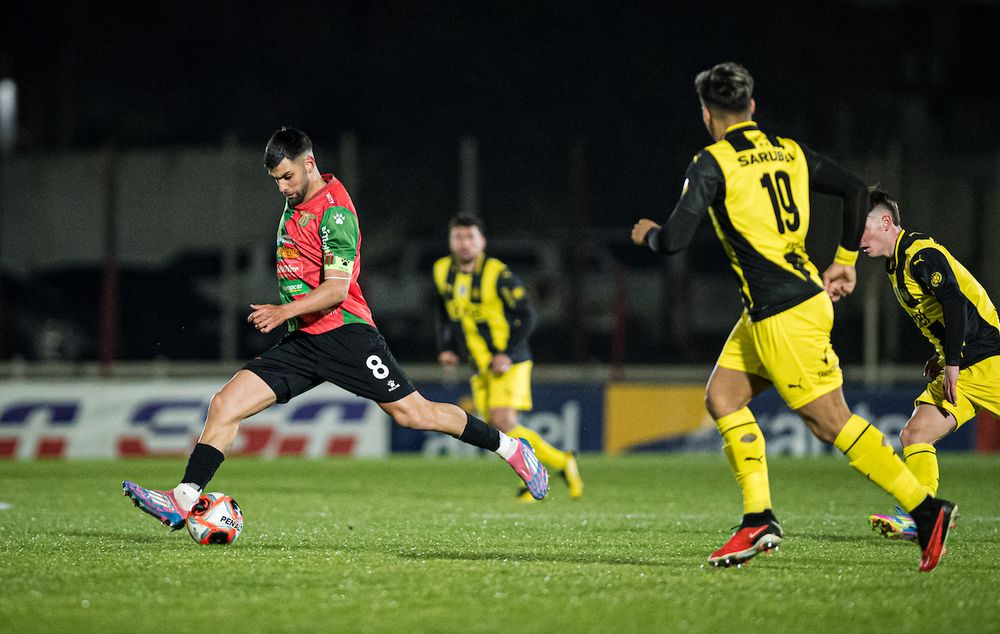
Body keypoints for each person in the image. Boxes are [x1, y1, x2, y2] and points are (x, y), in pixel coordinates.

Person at [123, 128, 549, 528]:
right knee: (224, 405)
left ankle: (514, 450)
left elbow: (336, 290)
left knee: (416, 415)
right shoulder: (296, 201)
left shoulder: (336, 214)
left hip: (346, 334)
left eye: (288, 176)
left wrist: (283, 311)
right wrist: (291, 317)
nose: (283, 188)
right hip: (306, 340)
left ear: (309, 163)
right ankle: (182, 499)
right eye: (276, 180)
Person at [629, 62, 956, 571]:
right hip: (777, 306)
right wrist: (845, 261)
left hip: (784, 313)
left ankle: (926, 509)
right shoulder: (791, 151)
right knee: (723, 396)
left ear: (707, 114)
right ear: (752, 107)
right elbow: (853, 189)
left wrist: (646, 233)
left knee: (831, 423)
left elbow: (672, 240)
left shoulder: (712, 162)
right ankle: (757, 519)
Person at [860, 187, 999, 540]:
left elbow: (954, 302)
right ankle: (924, 514)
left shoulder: (919, 253)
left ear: (886, 222)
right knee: (915, 433)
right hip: (961, 365)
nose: (857, 240)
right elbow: (940, 315)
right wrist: (942, 357)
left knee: (915, 433)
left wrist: (951, 359)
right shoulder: (896, 265)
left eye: (862, 230)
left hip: (986, 359)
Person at [433, 213, 583, 502]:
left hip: (508, 360)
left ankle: (553, 466)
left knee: (502, 422)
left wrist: (506, 353)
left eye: (470, 237)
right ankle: (555, 465)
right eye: (458, 237)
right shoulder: (442, 270)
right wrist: (446, 347)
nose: (464, 244)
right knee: (497, 427)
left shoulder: (498, 274)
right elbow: (442, 309)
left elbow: (528, 315)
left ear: (482, 242)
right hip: (478, 363)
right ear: (451, 241)